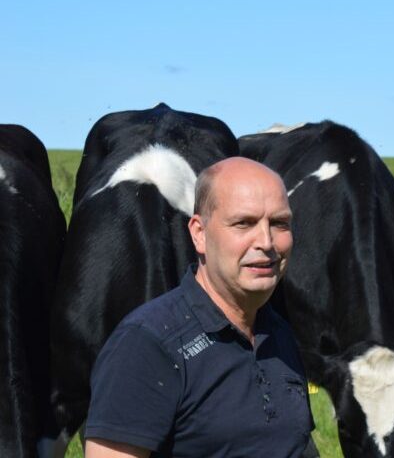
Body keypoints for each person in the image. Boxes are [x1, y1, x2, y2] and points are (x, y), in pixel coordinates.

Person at [83, 157, 314, 457]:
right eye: (243, 223)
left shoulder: (278, 334)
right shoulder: (147, 345)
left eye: (279, 223)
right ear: (199, 234)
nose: (266, 242)